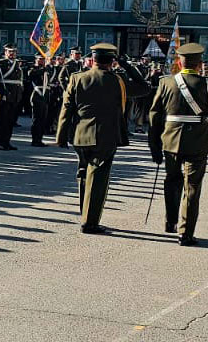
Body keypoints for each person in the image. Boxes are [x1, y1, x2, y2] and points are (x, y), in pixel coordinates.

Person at [55, 43, 150, 234]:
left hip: (80, 135)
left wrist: (61, 135)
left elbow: (67, 109)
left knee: (83, 174)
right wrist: (127, 65)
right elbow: (144, 88)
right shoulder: (118, 81)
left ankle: (85, 214)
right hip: (106, 136)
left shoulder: (77, 78)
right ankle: (89, 223)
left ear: (93, 59)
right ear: (111, 61)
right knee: (98, 179)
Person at [148, 42, 208, 246]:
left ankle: (170, 222)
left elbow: (154, 116)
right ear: (199, 64)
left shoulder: (166, 82)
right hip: (197, 142)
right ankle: (185, 233)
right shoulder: (207, 84)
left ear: (179, 61)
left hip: (170, 141)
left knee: (171, 181)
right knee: (192, 188)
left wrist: (154, 146)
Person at [0, 44, 24, 150]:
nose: (12, 54)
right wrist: (0, 91)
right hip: (3, 97)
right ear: (5, 52)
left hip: (14, 97)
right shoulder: (1, 63)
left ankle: (7, 142)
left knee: (10, 121)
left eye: (14, 52)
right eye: (10, 51)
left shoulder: (17, 64)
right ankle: (1, 143)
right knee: (2, 121)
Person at [26, 54, 50, 147]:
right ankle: (35, 139)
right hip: (36, 95)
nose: (42, 61)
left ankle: (39, 139)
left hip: (45, 96)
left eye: (43, 59)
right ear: (36, 59)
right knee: (36, 119)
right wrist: (43, 69)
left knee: (43, 119)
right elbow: (31, 74)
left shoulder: (46, 69)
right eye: (40, 59)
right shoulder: (32, 68)